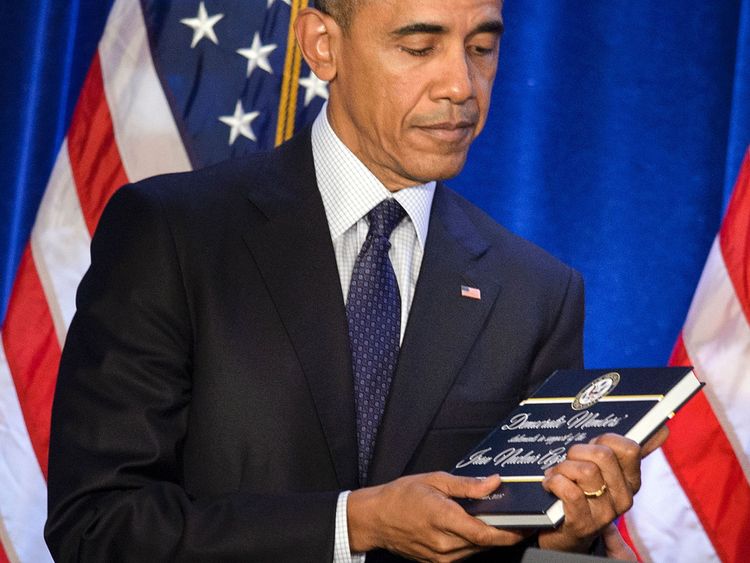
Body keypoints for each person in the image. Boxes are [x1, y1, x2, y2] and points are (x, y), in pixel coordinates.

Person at [45, 0, 664, 561]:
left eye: (481, 47)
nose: (460, 86)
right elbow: (96, 525)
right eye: (418, 48)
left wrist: (565, 538)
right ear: (322, 45)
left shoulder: (536, 292)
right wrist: (352, 523)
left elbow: (525, 545)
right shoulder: (172, 235)